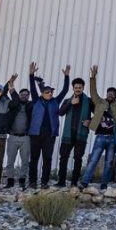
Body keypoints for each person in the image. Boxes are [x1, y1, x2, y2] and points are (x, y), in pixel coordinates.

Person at [27, 61, 71, 189]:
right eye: (47, 92)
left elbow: (65, 90)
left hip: (49, 134)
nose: (50, 94)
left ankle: (44, 182)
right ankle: (32, 181)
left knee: (47, 158)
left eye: (51, 92)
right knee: (34, 158)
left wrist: (66, 76)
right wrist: (31, 75)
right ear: (42, 93)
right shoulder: (36, 100)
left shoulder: (56, 101)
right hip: (35, 133)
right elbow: (32, 87)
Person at [79, 65, 116, 189]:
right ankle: (85, 182)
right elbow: (93, 92)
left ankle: (104, 184)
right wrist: (93, 78)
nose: (110, 94)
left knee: (109, 163)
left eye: (113, 94)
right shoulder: (99, 102)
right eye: (109, 93)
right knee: (93, 160)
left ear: (115, 96)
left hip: (112, 138)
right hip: (100, 137)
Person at [56, 77, 93, 187]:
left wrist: (90, 121)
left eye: (79, 87)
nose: (77, 89)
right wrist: (70, 104)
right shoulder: (67, 100)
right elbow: (60, 112)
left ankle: (74, 182)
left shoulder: (89, 101)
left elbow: (98, 113)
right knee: (63, 158)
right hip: (68, 135)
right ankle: (61, 182)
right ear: (73, 88)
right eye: (76, 87)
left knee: (78, 159)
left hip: (81, 135)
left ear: (83, 88)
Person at [4, 86, 32, 189]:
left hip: (26, 137)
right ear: (18, 95)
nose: (24, 96)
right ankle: (10, 181)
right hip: (12, 136)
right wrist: (10, 86)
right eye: (22, 94)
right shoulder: (12, 105)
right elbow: (4, 94)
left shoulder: (30, 106)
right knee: (10, 160)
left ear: (28, 96)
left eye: (26, 95)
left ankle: (22, 180)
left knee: (25, 160)